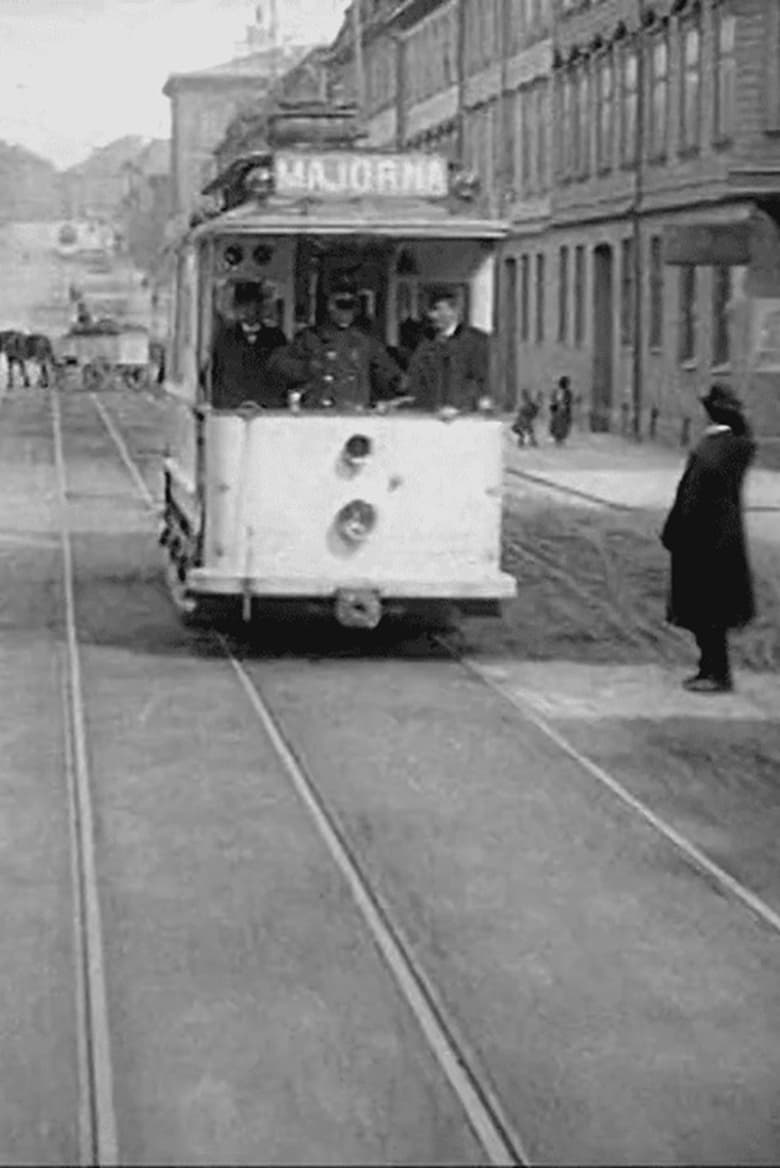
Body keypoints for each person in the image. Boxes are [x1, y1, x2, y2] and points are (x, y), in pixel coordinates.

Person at [660, 383, 756, 694]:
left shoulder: (715, 448)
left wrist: (675, 530)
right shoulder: (731, 445)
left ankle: (717, 672)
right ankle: (709, 667)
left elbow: (692, 495)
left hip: (705, 541)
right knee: (709, 610)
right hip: (717, 538)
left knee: (708, 610)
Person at [268, 273, 401, 409]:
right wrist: (307, 368)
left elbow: (389, 373)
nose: (346, 312)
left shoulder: (365, 341)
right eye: (341, 305)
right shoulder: (311, 338)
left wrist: (398, 384)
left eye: (351, 306)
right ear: (330, 306)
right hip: (319, 412)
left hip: (354, 411)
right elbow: (277, 363)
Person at [406, 286, 491, 415]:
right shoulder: (426, 345)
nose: (432, 316)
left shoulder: (475, 342)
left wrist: (461, 405)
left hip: (464, 417)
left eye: (437, 309)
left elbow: (480, 380)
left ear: (454, 311)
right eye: (431, 311)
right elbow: (415, 379)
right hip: (430, 416)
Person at [209, 281, 288, 409]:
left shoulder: (276, 338)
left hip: (268, 409)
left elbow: (283, 375)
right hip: (231, 410)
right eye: (244, 305)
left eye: (254, 305)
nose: (249, 310)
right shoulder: (224, 337)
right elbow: (216, 374)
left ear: (261, 307)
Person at [549, 376, 573, 445]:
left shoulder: (568, 392)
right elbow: (553, 401)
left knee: (563, 425)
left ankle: (560, 438)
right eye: (567, 383)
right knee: (558, 425)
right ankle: (558, 438)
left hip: (564, 412)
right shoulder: (557, 391)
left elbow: (568, 401)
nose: (568, 384)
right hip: (558, 412)